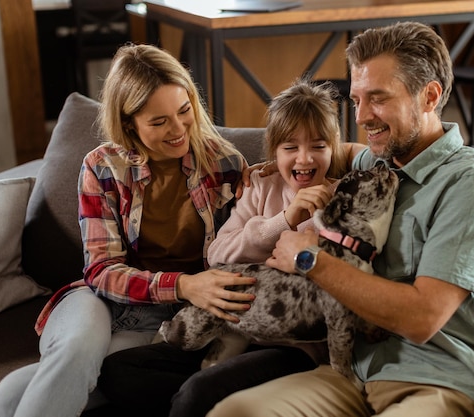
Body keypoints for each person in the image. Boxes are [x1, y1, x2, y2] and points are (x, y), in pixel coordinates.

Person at [206, 21, 474, 417]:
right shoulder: (375, 162)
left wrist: (310, 261)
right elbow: (327, 150)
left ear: (430, 96)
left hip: (439, 379)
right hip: (352, 373)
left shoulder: (473, 183)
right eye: (356, 100)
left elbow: (422, 317)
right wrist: (275, 163)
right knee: (232, 412)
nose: (361, 116)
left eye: (377, 99)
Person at [0, 43, 255, 417]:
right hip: (97, 300)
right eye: (159, 122)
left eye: (184, 110)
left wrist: (271, 181)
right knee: (78, 349)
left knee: (10, 401)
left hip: (164, 317)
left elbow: (246, 241)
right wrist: (183, 284)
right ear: (129, 123)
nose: (178, 130)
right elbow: (100, 271)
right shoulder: (102, 166)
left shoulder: (223, 163)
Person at [96, 78, 361, 417]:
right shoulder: (262, 186)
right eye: (290, 147)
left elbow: (350, 276)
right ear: (274, 150)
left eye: (318, 146)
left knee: (196, 394)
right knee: (117, 371)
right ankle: (199, 396)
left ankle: (198, 397)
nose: (304, 158)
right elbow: (218, 255)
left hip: (292, 345)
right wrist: (284, 219)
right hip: (227, 324)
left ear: (334, 146)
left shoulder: (345, 200)